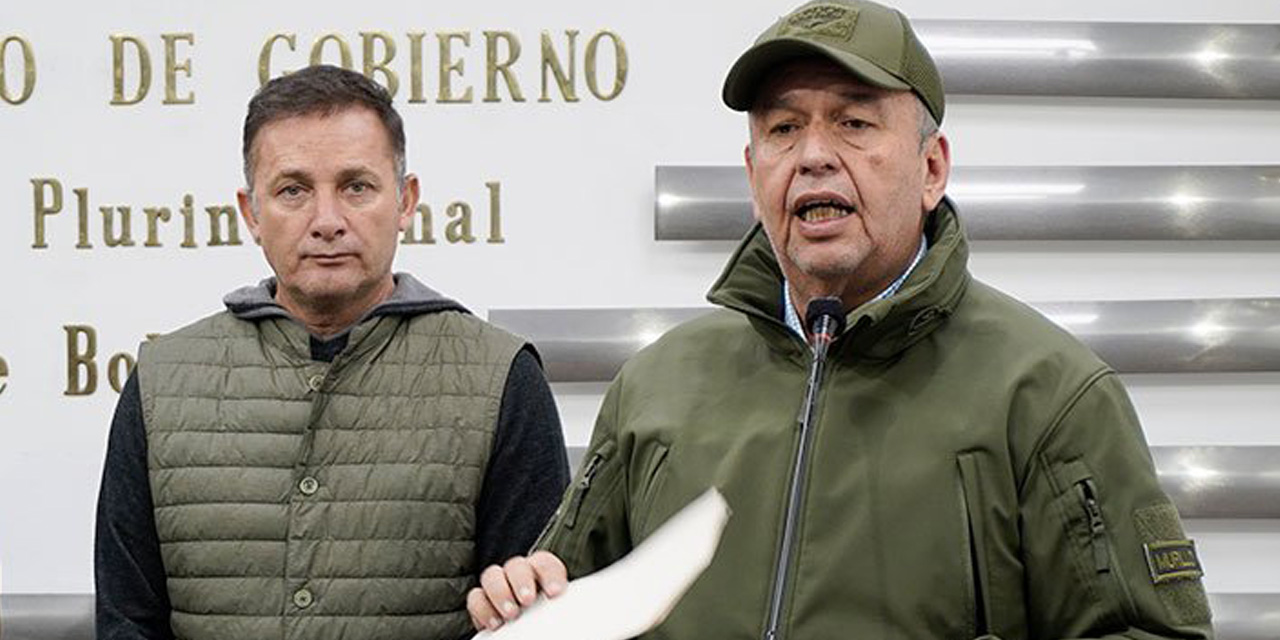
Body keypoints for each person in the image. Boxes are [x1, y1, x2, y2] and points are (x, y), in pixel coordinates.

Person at [466, 1, 1213, 638]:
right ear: (752, 168)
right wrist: (527, 605)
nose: (814, 156)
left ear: (931, 169)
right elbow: (571, 602)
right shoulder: (655, 385)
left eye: (854, 123)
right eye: (784, 129)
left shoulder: (1049, 393)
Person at [94, 65, 569, 640]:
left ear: (405, 200)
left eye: (356, 186)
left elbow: (535, 619)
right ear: (251, 213)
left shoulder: (502, 379)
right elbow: (127, 621)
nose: (327, 222)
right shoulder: (161, 383)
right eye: (293, 190)